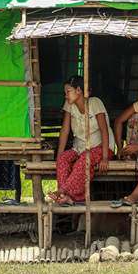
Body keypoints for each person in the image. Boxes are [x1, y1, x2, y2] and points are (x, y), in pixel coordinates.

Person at [48, 75, 115, 205]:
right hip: (79, 149)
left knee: (85, 159)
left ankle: (63, 192)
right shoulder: (69, 105)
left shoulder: (95, 103)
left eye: (68, 92)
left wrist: (105, 158)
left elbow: (104, 131)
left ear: (78, 90)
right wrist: (59, 156)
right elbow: (65, 131)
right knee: (63, 159)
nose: (66, 96)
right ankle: (64, 197)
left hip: (101, 148)